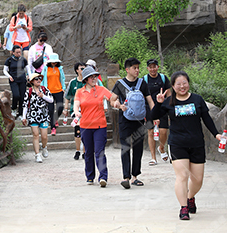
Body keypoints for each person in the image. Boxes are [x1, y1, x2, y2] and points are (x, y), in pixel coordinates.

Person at [152, 71, 223, 220]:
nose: (182, 86)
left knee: (198, 180)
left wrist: (216, 134)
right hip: (178, 144)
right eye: (178, 84)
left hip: (196, 143)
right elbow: (153, 117)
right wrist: (158, 103)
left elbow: (206, 118)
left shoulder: (197, 99)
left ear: (188, 83)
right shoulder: (169, 101)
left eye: (184, 83)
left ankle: (190, 197)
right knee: (182, 176)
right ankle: (183, 208)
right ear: (173, 86)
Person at [73, 66, 121, 187]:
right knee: (88, 152)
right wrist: (77, 111)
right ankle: (90, 176)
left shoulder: (101, 89)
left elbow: (111, 98)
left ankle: (103, 177)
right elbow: (76, 104)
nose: (94, 79)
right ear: (85, 79)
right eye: (91, 77)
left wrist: (116, 103)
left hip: (100, 126)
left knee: (99, 151)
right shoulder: (80, 92)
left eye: (95, 76)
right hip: (85, 126)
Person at [111, 58, 155, 189]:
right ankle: (126, 177)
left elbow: (150, 101)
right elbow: (112, 100)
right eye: (134, 68)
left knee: (138, 148)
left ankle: (135, 176)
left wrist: (155, 115)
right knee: (125, 147)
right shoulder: (119, 84)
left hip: (140, 120)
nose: (137, 70)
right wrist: (118, 106)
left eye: (138, 68)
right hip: (125, 120)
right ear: (127, 69)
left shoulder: (142, 83)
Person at [143, 59, 172, 165]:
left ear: (157, 67)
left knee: (163, 131)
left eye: (154, 66)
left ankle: (161, 148)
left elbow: (169, 94)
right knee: (150, 132)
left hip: (162, 108)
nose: (152, 69)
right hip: (149, 109)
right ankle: (153, 157)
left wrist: (170, 108)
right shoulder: (145, 80)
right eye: (150, 67)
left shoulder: (163, 78)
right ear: (147, 68)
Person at [22, 73, 54, 163]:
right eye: (36, 79)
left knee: (44, 136)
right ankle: (37, 154)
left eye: (40, 78)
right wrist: (24, 117)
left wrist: (43, 96)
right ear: (32, 81)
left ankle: (44, 147)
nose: (38, 80)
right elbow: (25, 105)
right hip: (32, 115)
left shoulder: (44, 89)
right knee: (35, 135)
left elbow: (51, 100)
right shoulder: (29, 91)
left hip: (43, 115)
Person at [63, 62, 86, 160]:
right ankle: (77, 150)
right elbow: (67, 96)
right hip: (75, 110)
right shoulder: (73, 82)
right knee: (77, 130)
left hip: (87, 110)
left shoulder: (88, 81)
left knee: (85, 131)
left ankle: (85, 151)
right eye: (81, 68)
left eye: (85, 68)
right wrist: (66, 108)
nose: (83, 70)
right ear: (77, 70)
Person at [41, 53, 65, 136]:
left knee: (60, 107)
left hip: (59, 90)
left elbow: (62, 78)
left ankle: (55, 119)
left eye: (55, 61)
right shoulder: (45, 68)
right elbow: (42, 79)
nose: (54, 63)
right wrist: (43, 89)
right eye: (52, 61)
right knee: (50, 110)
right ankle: (53, 127)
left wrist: (63, 88)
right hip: (49, 91)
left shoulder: (60, 68)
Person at [4, 45, 28, 119]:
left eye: (20, 52)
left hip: (22, 80)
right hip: (13, 80)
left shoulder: (23, 60)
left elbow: (27, 69)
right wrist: (9, 76)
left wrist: (29, 76)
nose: (19, 54)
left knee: (22, 97)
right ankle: (14, 108)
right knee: (16, 95)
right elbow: (4, 70)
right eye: (17, 52)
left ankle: (20, 113)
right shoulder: (9, 60)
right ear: (13, 52)